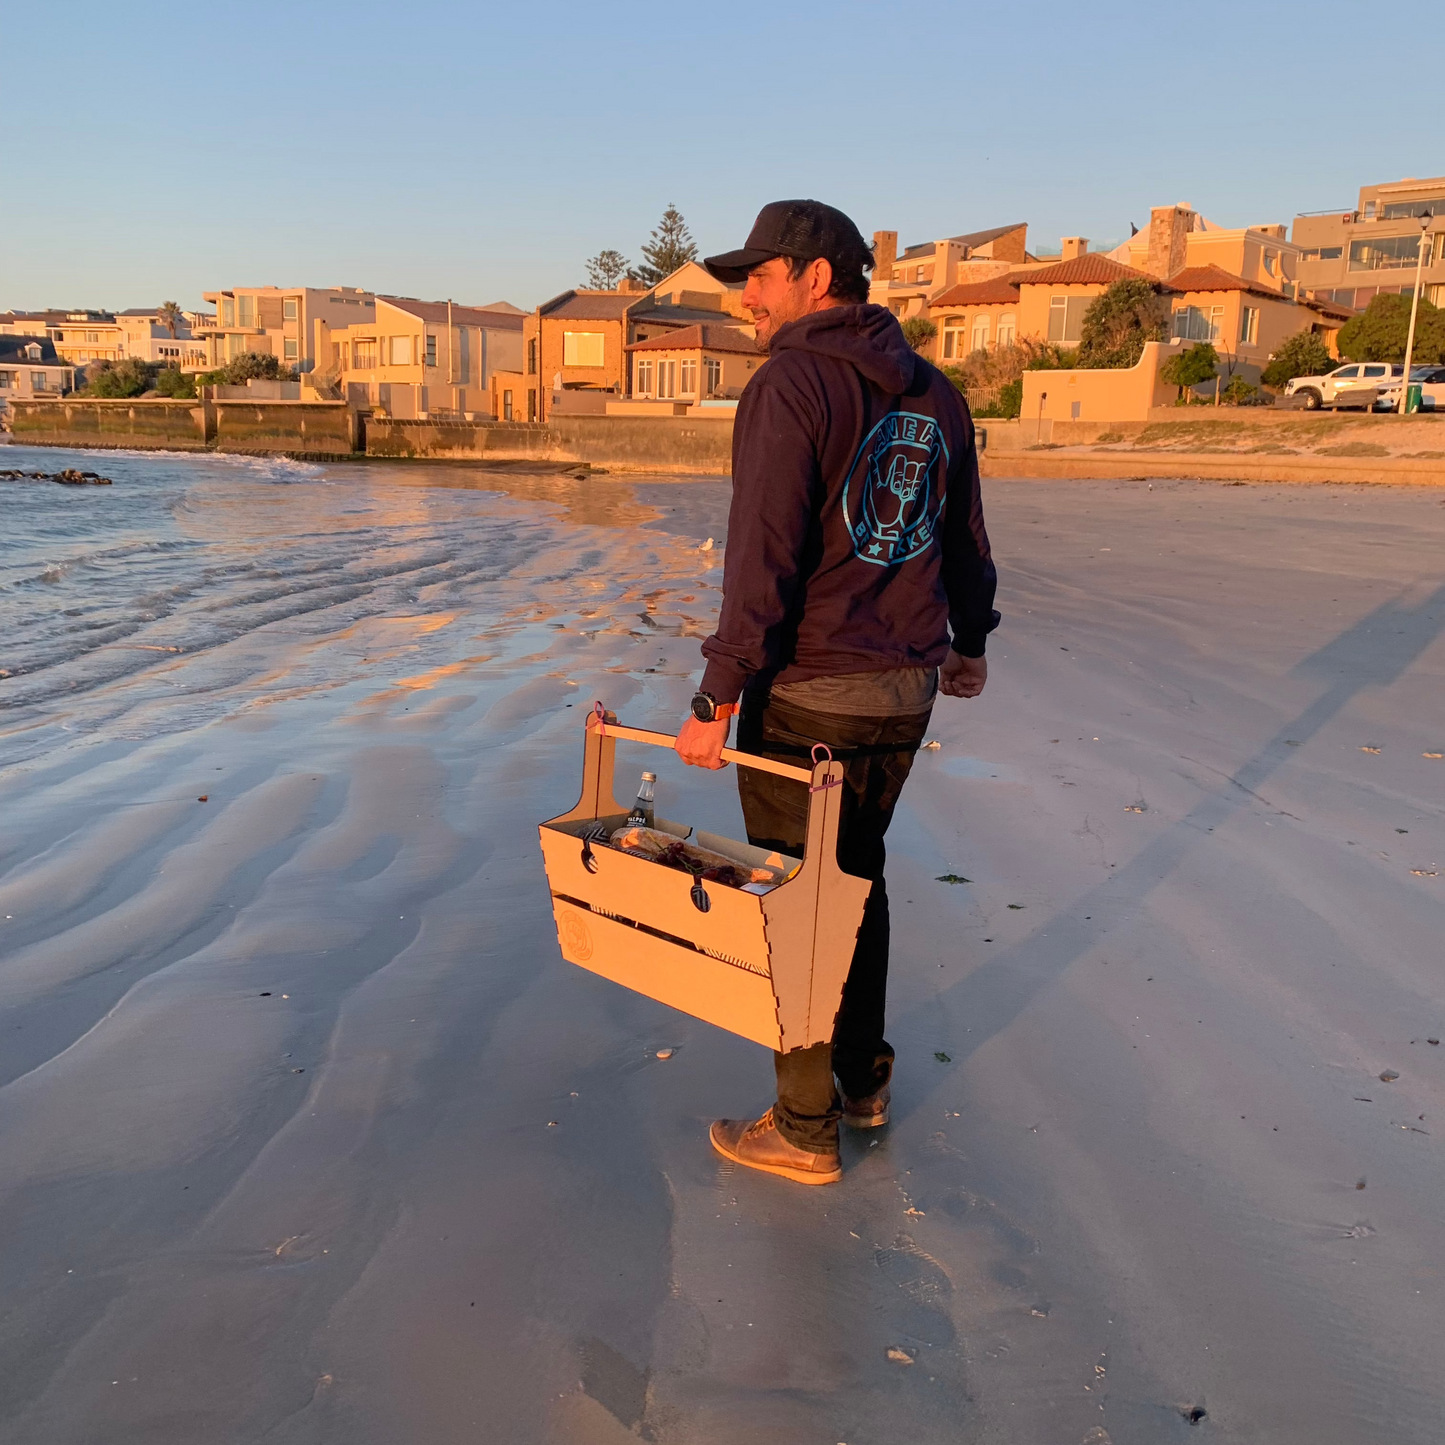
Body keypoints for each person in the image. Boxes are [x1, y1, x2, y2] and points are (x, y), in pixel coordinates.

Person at [673, 199, 999, 1185]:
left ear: (817, 279)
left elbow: (761, 556)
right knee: (855, 875)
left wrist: (714, 694)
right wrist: (968, 639)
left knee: (797, 901)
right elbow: (963, 535)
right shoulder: (934, 392)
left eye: (759, 276)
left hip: (810, 689)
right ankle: (860, 1080)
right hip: (903, 689)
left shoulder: (790, 384)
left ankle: (803, 1123)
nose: (747, 298)